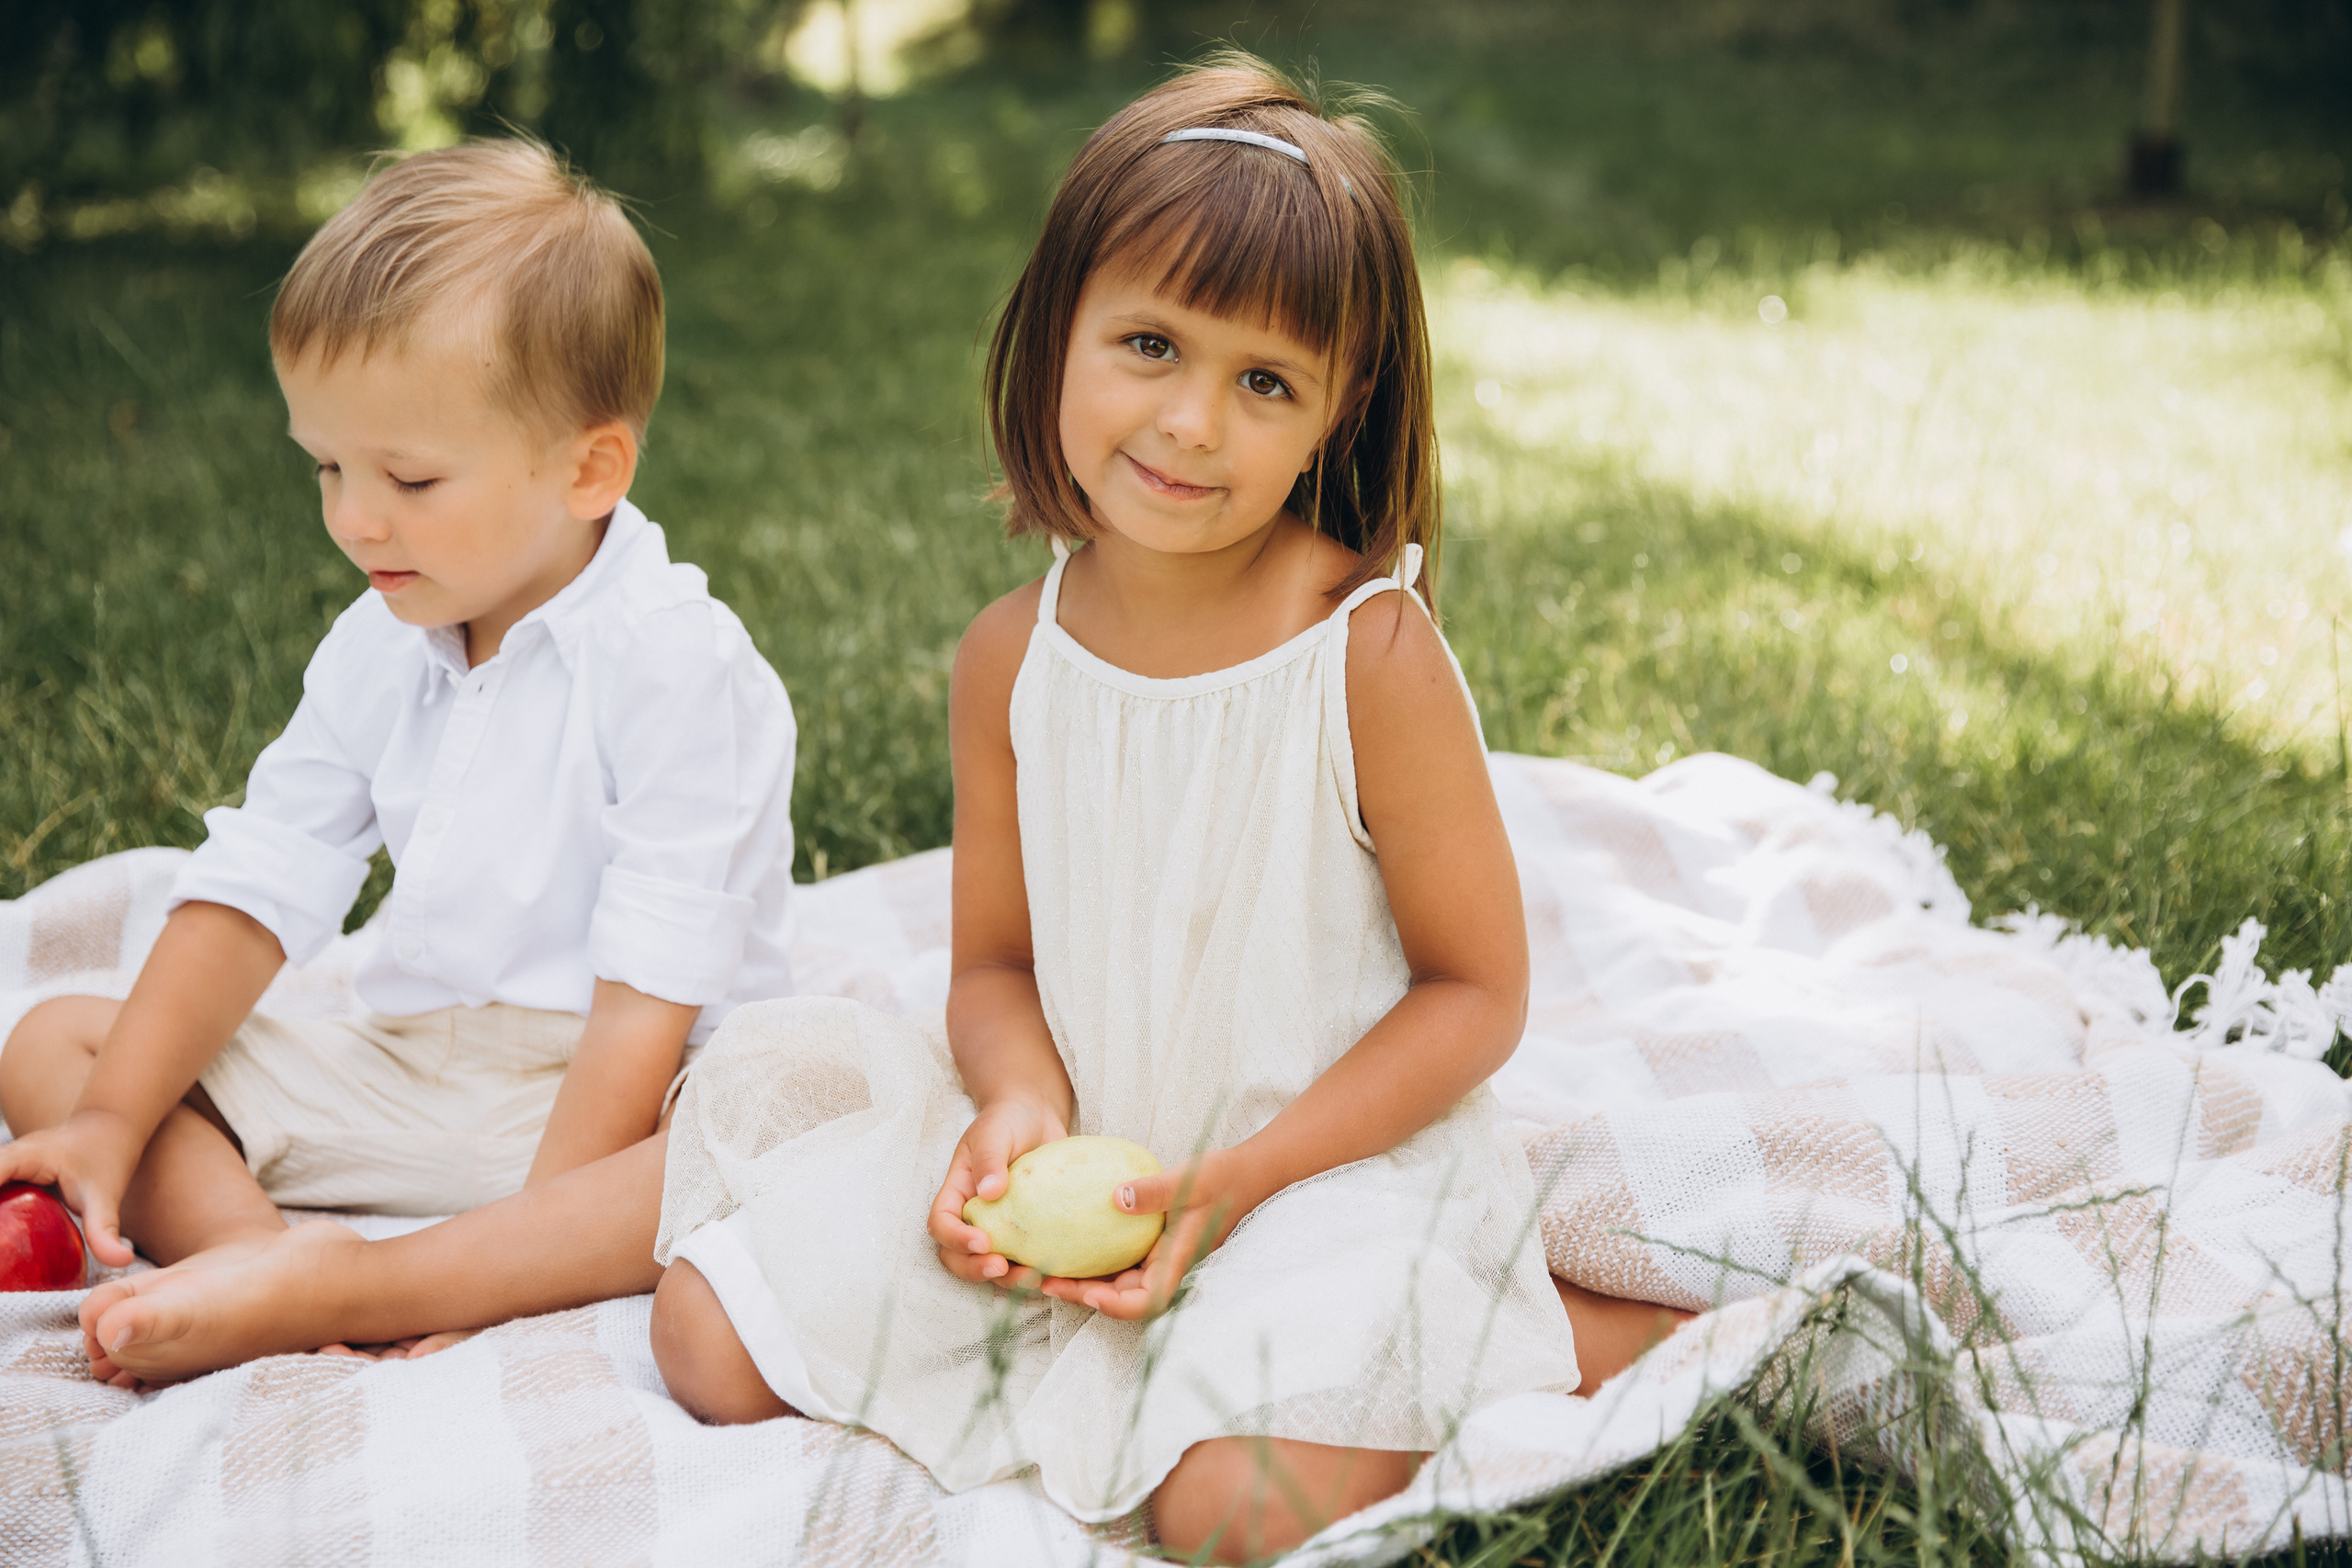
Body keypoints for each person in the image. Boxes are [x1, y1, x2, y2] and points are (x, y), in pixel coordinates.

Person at [72, 63, 1688, 1562]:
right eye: (1150, 347)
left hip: (1315, 1169)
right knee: (708, 1333)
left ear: (1335, 412)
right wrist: (1013, 1109)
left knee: (1223, 1502)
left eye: (1264, 380)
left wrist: (1236, 1186)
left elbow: (1479, 995)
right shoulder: (1011, 657)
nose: (1192, 421)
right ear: (1055, 332)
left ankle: (1574, 1335)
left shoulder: (1367, 654)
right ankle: (287, 1262)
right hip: (1091, 1151)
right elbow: (990, 969)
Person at [0, 140, 798, 1343]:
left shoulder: (679, 663)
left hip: (626, 1099)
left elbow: (644, 1007)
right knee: (60, 1045)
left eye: (411, 480)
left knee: (764, 1138)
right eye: (326, 465)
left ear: (590, 468)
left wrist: (515, 1247)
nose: (354, 519)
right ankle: (258, 1267)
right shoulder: (386, 634)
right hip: (416, 1063)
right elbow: (266, 875)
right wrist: (114, 1119)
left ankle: (397, 1282)